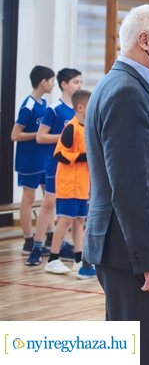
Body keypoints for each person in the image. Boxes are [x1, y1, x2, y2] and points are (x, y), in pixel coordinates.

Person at [84, 4, 149, 365]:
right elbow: (127, 188)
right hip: (131, 254)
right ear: (145, 41)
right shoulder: (127, 92)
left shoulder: (139, 87)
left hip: (125, 249)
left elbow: (135, 166)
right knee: (139, 355)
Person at [26, 67, 82, 266]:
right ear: (64, 85)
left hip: (76, 169)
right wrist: (66, 138)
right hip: (56, 164)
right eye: (75, 82)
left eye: (80, 82)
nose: (79, 86)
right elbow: (41, 137)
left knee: (73, 212)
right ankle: (37, 246)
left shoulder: (79, 111)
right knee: (49, 203)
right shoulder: (54, 109)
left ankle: (71, 250)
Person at [45, 89, 95, 279]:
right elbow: (59, 154)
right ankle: (52, 258)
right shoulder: (71, 127)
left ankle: (78, 259)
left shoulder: (87, 128)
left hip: (82, 185)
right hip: (68, 184)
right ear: (80, 107)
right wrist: (83, 157)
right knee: (65, 219)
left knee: (80, 221)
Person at [11, 65, 55, 255]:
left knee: (49, 197)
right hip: (29, 160)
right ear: (43, 82)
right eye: (51, 81)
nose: (53, 85)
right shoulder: (28, 105)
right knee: (28, 198)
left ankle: (50, 235)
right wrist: (37, 134)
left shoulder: (44, 104)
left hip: (44, 159)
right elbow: (15, 135)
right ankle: (28, 240)